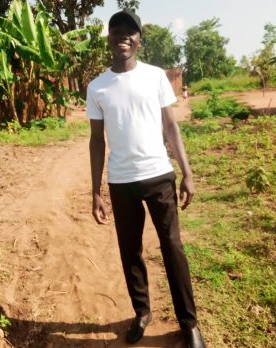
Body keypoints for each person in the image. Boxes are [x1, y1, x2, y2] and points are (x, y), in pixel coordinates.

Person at [86, 8, 205, 348]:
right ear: (108, 38)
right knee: (130, 250)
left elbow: (170, 126)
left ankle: (189, 324)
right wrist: (95, 191)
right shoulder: (97, 87)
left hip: (158, 176)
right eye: (116, 29)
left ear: (139, 39)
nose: (123, 34)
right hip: (121, 182)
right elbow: (97, 141)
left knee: (173, 249)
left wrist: (187, 172)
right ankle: (142, 313)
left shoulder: (155, 77)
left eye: (130, 30)